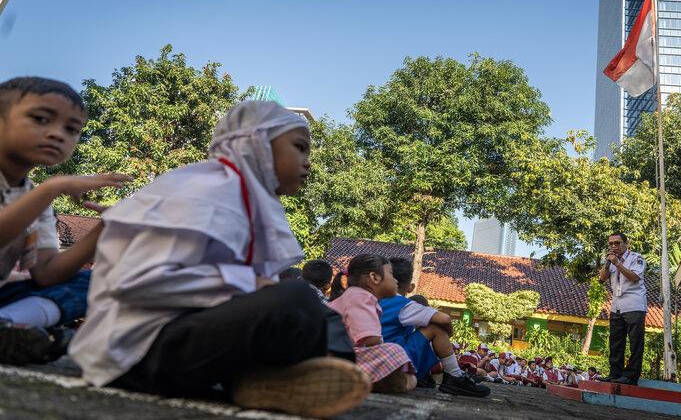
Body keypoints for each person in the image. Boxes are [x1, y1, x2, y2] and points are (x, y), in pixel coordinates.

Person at [69, 101, 370, 418]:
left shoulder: (244, 198)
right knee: (296, 299)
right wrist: (249, 284)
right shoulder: (204, 190)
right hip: (137, 353)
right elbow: (133, 282)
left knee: (320, 312)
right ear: (255, 142)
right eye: (299, 148)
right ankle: (263, 378)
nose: (307, 163)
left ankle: (273, 381)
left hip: (183, 337)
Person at [0, 77, 131, 365]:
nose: (58, 134)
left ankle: (8, 324)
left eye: (71, 129)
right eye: (41, 119)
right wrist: (55, 186)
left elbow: (46, 273)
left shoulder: (37, 197)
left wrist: (107, 228)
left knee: (103, 281)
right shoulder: (45, 193)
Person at [379, 256, 490, 397]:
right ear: (410, 286)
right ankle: (455, 377)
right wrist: (446, 335)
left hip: (376, 358)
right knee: (436, 327)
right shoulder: (403, 304)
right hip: (393, 361)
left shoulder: (375, 299)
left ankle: (434, 376)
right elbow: (445, 319)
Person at [328, 254, 416, 393]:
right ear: (374, 278)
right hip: (337, 358)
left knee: (393, 352)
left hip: (337, 355)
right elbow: (371, 340)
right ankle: (402, 383)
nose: (395, 281)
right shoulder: (361, 297)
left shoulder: (356, 295)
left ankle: (387, 379)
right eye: (391, 274)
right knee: (395, 350)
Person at [598, 232, 646, 385]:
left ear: (626, 244)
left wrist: (618, 264)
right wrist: (608, 264)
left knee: (635, 343)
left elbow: (634, 277)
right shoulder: (610, 261)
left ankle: (631, 376)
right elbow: (601, 279)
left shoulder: (636, 258)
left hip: (634, 305)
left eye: (617, 243)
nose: (613, 246)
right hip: (616, 306)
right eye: (611, 243)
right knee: (616, 342)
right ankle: (615, 373)